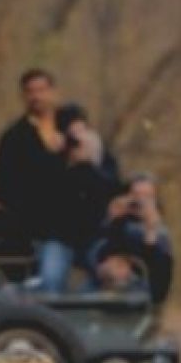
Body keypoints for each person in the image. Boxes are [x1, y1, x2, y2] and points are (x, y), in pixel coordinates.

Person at [0, 68, 75, 291]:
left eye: (42, 90)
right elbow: (4, 185)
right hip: (29, 230)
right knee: (46, 283)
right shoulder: (14, 137)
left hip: (70, 229)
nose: (37, 96)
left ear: (53, 92)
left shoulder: (72, 129)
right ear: (23, 96)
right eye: (30, 91)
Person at [89, 173, 174, 303]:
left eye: (147, 197)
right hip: (105, 288)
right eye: (136, 195)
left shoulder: (160, 233)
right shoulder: (117, 223)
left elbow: (158, 278)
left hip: (140, 294)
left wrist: (151, 230)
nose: (140, 201)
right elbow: (98, 254)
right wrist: (114, 220)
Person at [56, 102, 121, 261]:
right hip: (60, 236)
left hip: (97, 233)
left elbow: (112, 187)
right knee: (51, 277)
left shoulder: (102, 158)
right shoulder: (54, 157)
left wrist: (90, 165)